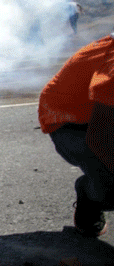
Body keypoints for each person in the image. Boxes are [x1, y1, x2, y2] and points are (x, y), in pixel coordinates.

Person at [38, 33, 114, 237]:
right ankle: (90, 195)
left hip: (99, 118)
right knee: (111, 188)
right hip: (70, 124)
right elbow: (100, 139)